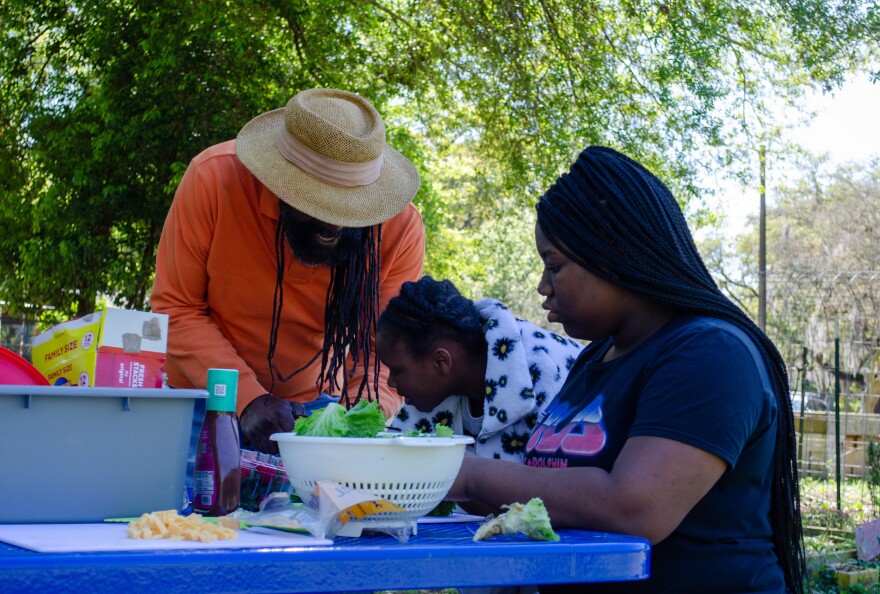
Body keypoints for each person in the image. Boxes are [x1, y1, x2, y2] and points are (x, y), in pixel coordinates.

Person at [446, 146, 806, 593]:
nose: (543, 287)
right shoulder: (595, 359)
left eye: (554, 265)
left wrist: (465, 475)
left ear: (612, 252)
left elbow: (635, 507)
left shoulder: (709, 353)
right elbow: (555, 499)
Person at [150, 88, 426, 455]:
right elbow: (177, 308)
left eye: (352, 209)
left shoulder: (399, 227)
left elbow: (384, 348)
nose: (335, 226)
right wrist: (246, 399)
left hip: (313, 411)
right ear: (278, 184)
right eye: (318, 204)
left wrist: (356, 423)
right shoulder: (212, 180)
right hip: (203, 402)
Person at [377, 275, 584, 461]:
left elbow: (550, 495)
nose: (390, 382)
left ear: (441, 362)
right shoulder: (435, 390)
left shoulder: (545, 377)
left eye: (397, 371)